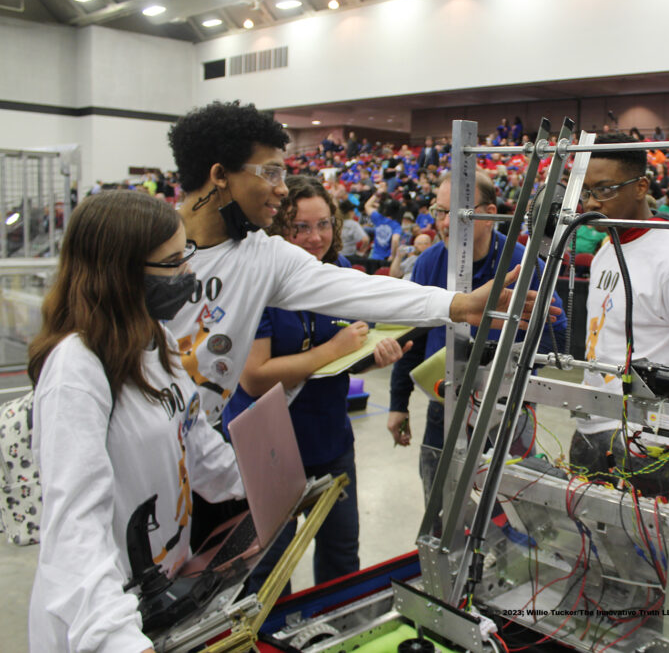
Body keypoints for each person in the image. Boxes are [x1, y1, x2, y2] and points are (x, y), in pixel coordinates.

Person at [164, 101, 549, 546]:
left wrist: (458, 306)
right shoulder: (144, 245)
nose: (282, 188)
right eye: (270, 172)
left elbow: (358, 289)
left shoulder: (262, 256)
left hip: (203, 453)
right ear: (219, 175)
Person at [28, 191, 244, 653]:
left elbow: (196, 444)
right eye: (171, 263)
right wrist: (115, 636)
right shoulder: (78, 368)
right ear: (119, 274)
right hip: (109, 618)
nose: (187, 272)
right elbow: (74, 527)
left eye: (186, 254)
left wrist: (264, 488)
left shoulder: (156, 336)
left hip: (165, 596)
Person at [219, 176, 409, 592]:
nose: (315, 237)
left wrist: (368, 356)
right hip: (268, 450)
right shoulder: (261, 280)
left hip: (330, 442)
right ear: (278, 229)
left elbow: (348, 356)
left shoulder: (338, 271)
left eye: (323, 224)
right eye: (300, 227)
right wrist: (333, 349)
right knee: (270, 571)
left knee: (342, 555)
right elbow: (254, 376)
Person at [388, 171, 567, 501]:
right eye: (439, 212)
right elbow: (412, 338)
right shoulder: (429, 262)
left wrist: (496, 361)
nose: (443, 224)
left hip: (507, 409)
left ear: (487, 214)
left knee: (513, 504)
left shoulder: (521, 264)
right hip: (444, 403)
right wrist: (398, 403)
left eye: (455, 214)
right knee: (440, 502)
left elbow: (557, 334)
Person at [570, 133, 669, 497]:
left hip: (647, 442)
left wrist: (659, 433)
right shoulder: (605, 252)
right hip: (593, 428)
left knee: (651, 550)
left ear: (641, 186)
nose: (592, 203)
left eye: (605, 190)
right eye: (587, 192)